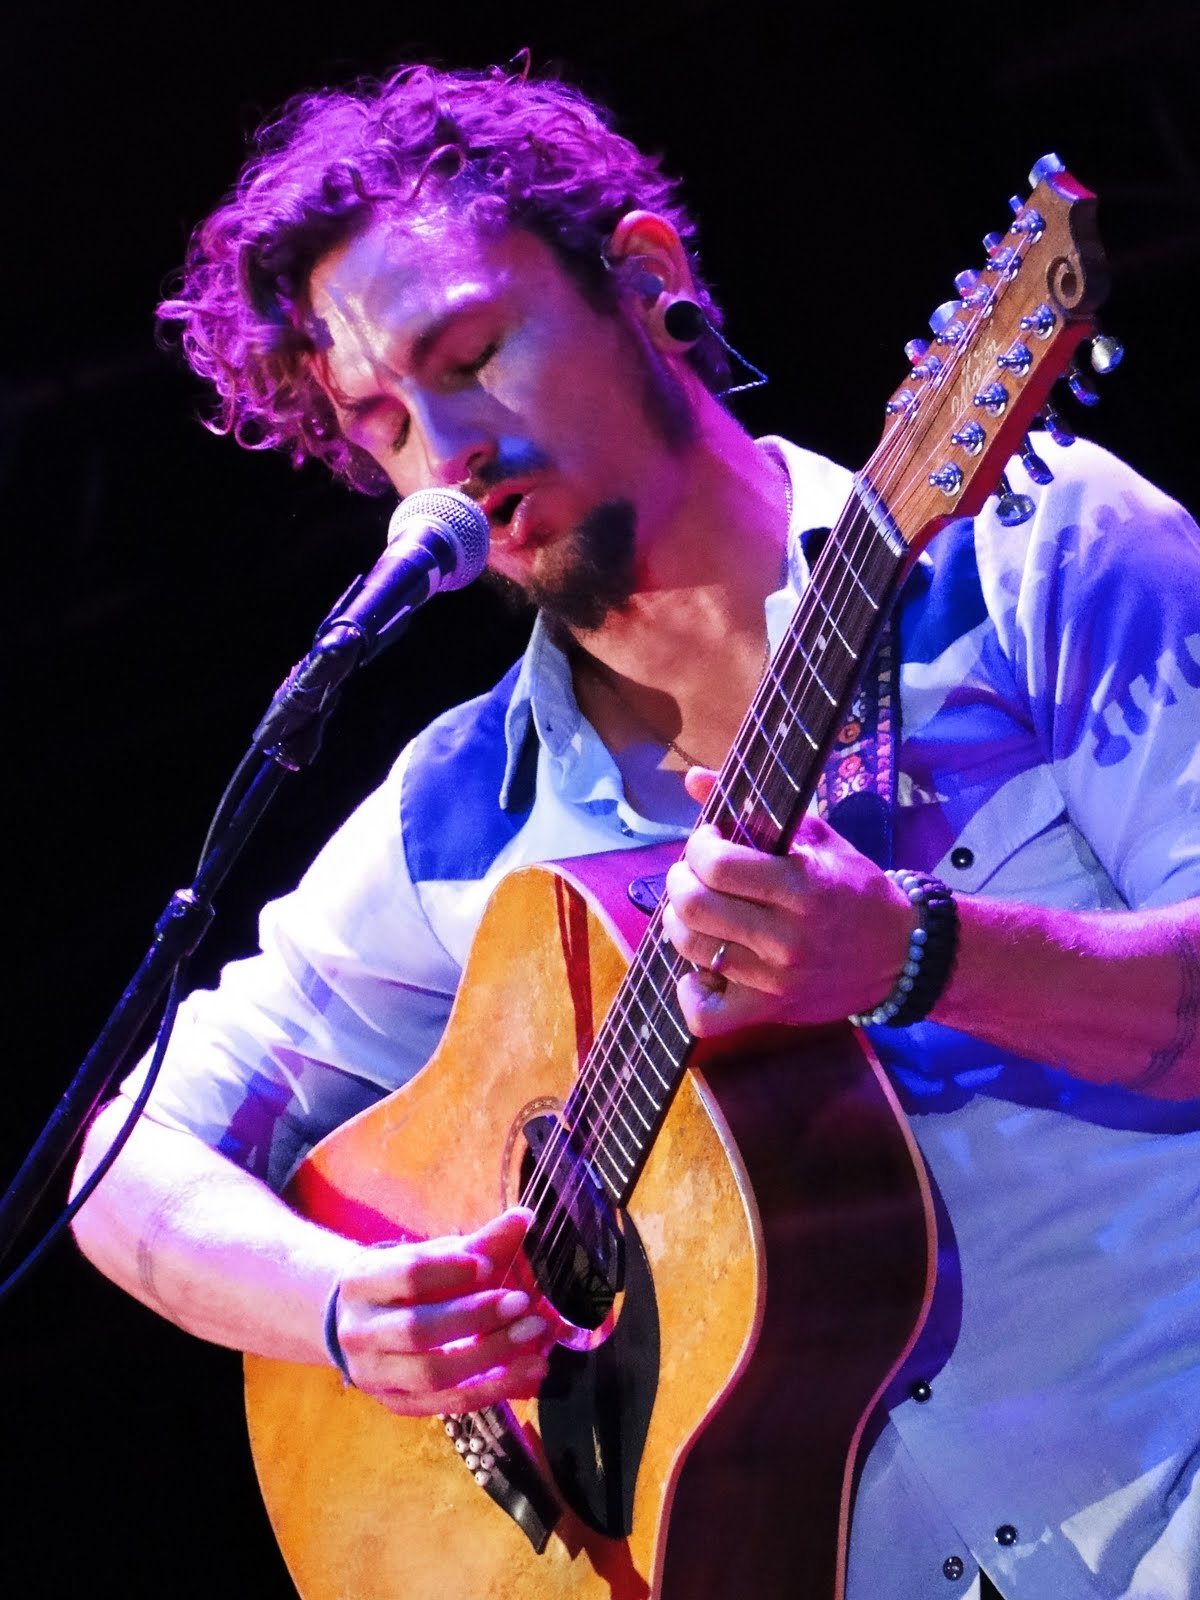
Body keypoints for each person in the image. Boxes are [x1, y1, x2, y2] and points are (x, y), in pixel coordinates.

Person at [71, 58, 1199, 1600]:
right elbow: (127, 1164)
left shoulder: (1034, 560)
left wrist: (922, 951)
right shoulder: (455, 827)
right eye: (381, 420)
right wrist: (345, 1307)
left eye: (469, 352)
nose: (440, 448)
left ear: (643, 278)